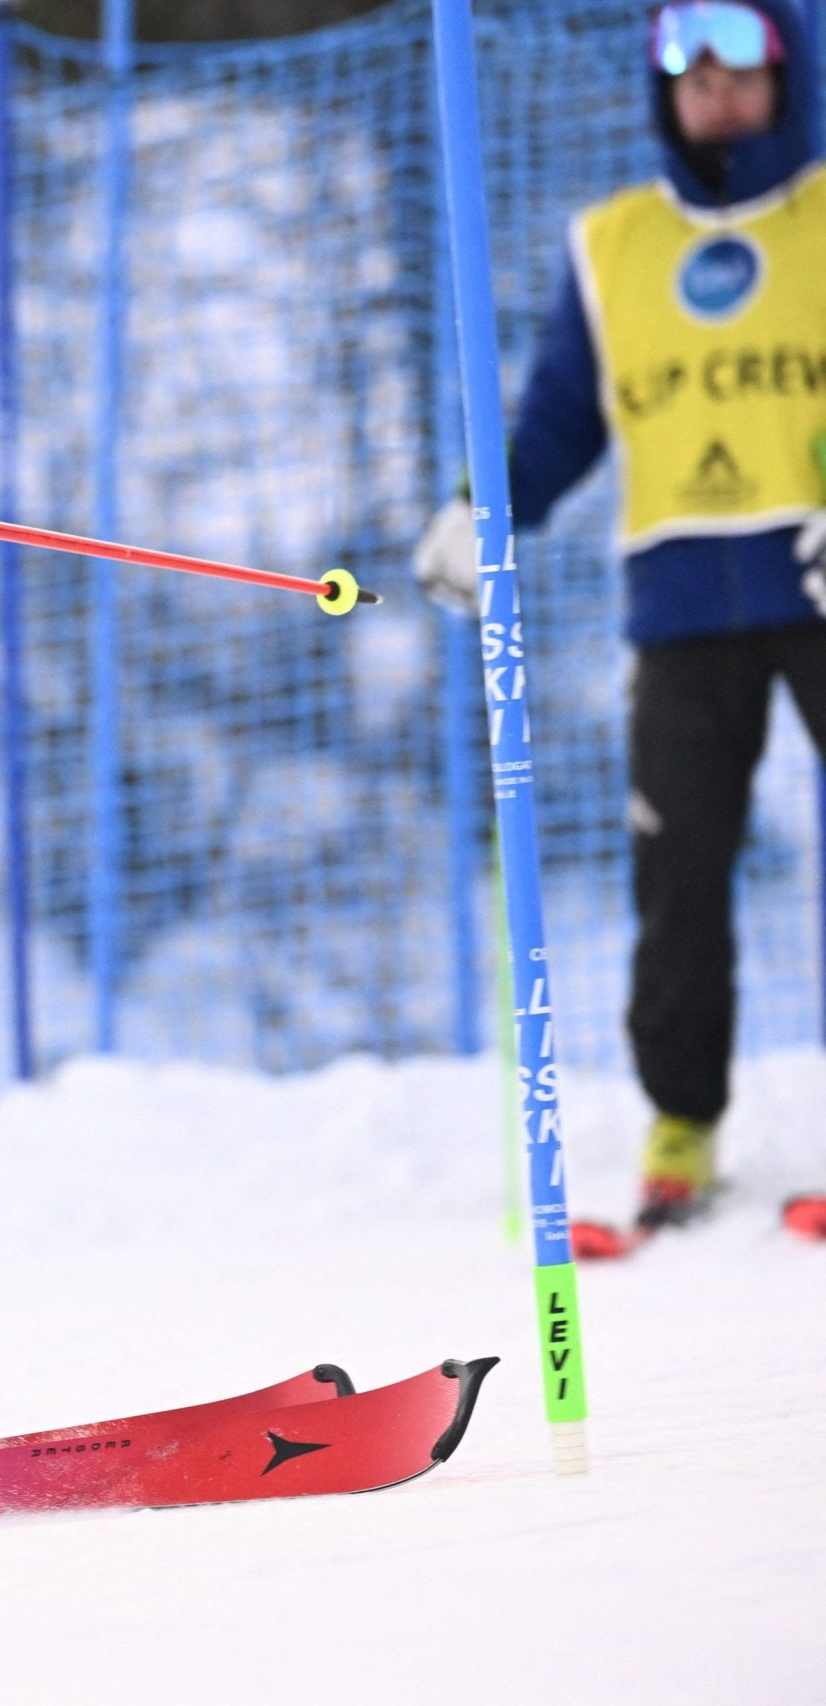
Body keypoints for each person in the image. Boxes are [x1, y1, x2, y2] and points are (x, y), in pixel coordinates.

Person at [414, 0, 826, 1241]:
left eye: (740, 62)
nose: (713, 89)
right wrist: (476, 510)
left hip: (816, 579)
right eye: (684, 66)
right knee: (679, 868)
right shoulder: (614, 244)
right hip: (679, 600)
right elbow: (553, 422)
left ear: (786, 69)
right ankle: (680, 1129)